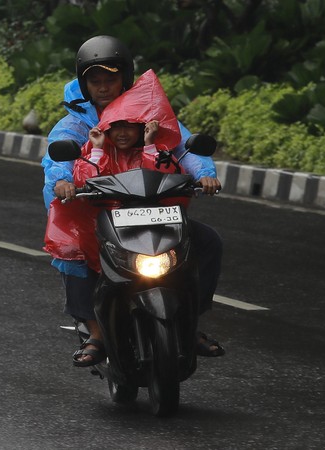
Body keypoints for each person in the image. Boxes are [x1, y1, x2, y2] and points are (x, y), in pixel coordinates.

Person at [42, 36, 225, 366]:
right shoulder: (74, 123)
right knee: (72, 249)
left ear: (124, 78)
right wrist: (63, 183)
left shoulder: (149, 111)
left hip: (153, 209)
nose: (103, 88)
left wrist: (204, 174)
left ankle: (190, 323)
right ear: (83, 84)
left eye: (110, 79)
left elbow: (181, 145)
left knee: (208, 241)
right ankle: (95, 331)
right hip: (95, 212)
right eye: (94, 81)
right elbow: (59, 161)